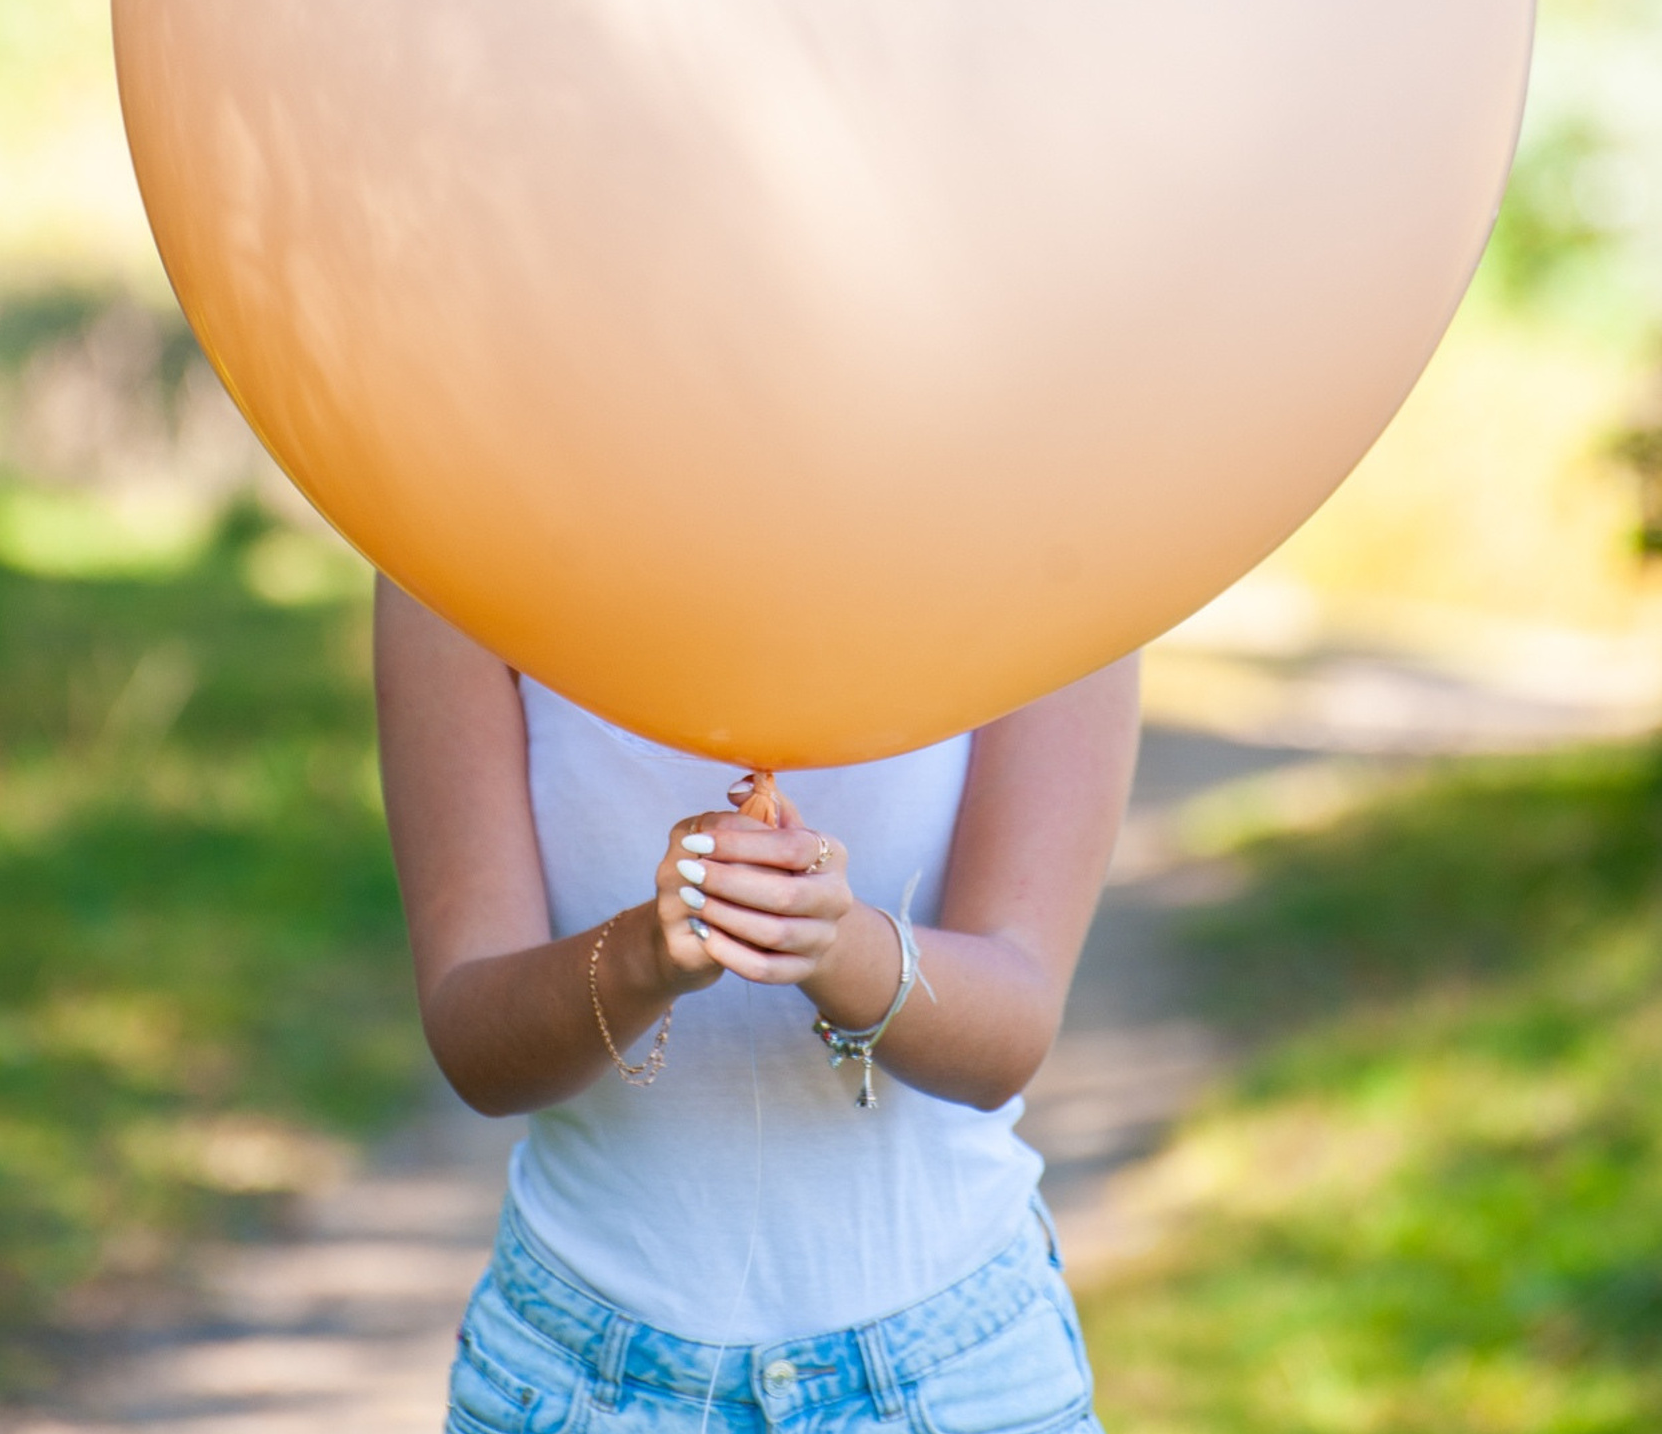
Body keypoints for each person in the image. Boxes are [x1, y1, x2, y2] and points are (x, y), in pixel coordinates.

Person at [373, 577, 1141, 1433]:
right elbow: (476, 1046)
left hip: (953, 1376)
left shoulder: (1059, 533)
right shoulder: (448, 520)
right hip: (579, 1378)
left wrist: (834, 944)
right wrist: (644, 955)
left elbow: (1007, 1037)